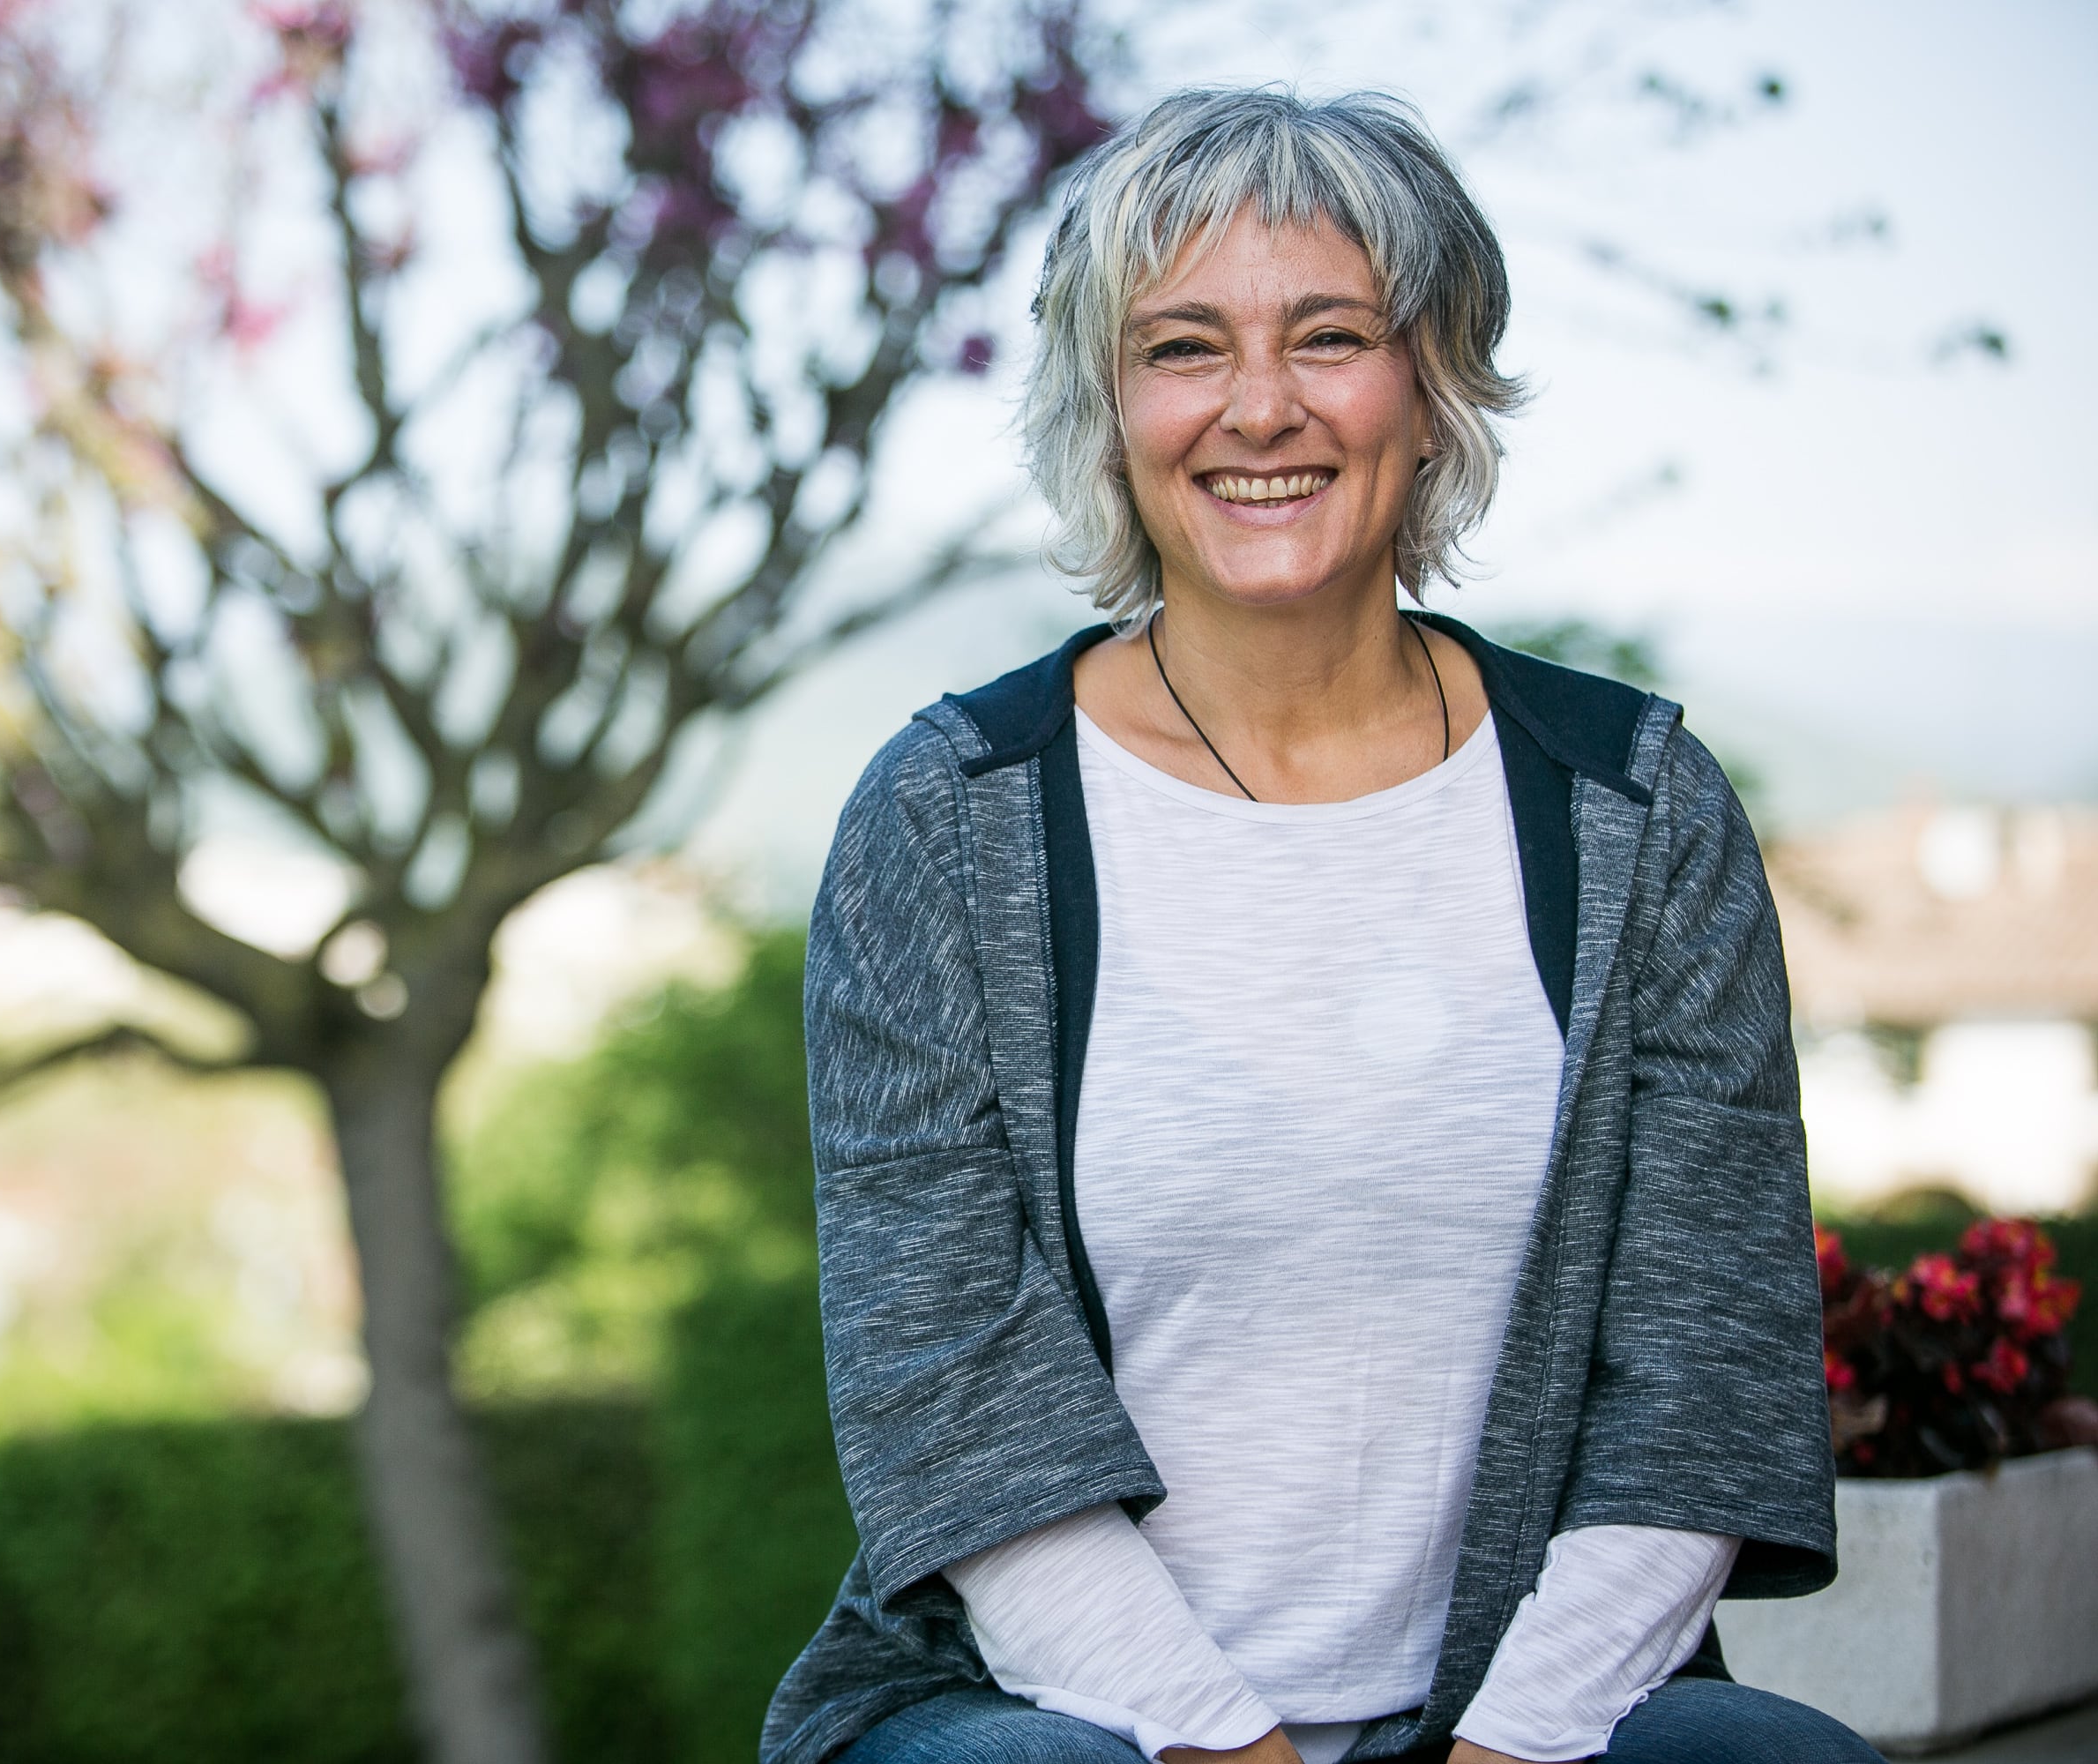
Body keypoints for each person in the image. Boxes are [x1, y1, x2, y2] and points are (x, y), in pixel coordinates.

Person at [761, 88, 1880, 1764]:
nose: (1260, 408)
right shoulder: (942, 822)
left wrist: (1509, 1750)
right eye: (1185, 347)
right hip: (1047, 1714)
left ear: (1432, 389)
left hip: (1520, 1716)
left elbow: (1701, 1376)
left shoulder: (1635, 810)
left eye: (1333, 335)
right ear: (1108, 407)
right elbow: (957, 1410)